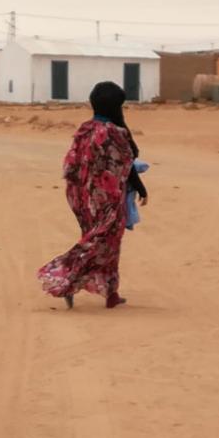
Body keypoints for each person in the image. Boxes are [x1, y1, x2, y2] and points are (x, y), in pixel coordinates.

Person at [37, 81, 147, 309]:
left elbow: (71, 165)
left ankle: (110, 292)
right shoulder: (114, 133)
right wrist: (141, 187)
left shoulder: (85, 129)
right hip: (106, 198)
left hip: (80, 197)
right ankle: (63, 276)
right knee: (103, 242)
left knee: (98, 240)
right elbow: (126, 165)